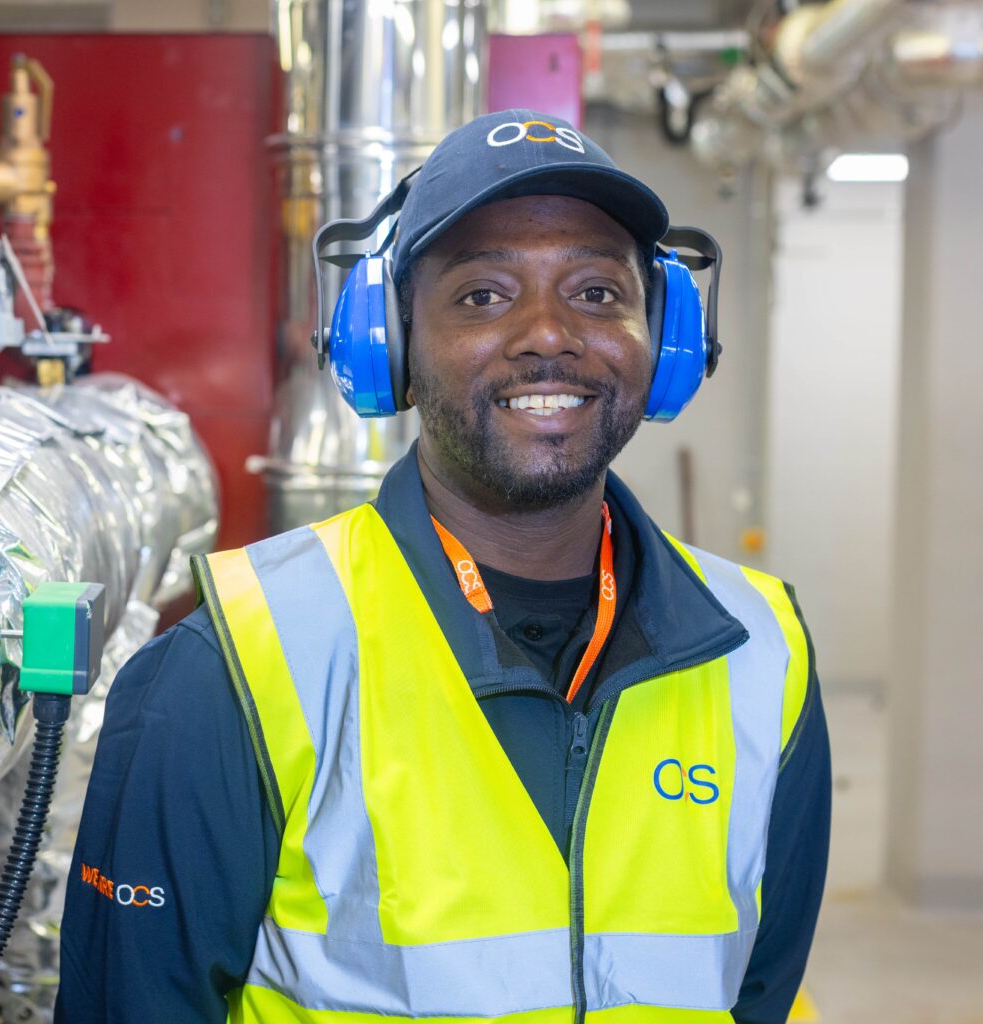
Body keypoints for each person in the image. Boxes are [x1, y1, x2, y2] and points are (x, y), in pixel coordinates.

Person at [56, 109, 830, 1024]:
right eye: (482, 295)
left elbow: (759, 994)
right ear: (391, 347)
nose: (549, 334)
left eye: (595, 291)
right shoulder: (234, 665)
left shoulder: (760, 652)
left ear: (662, 341)